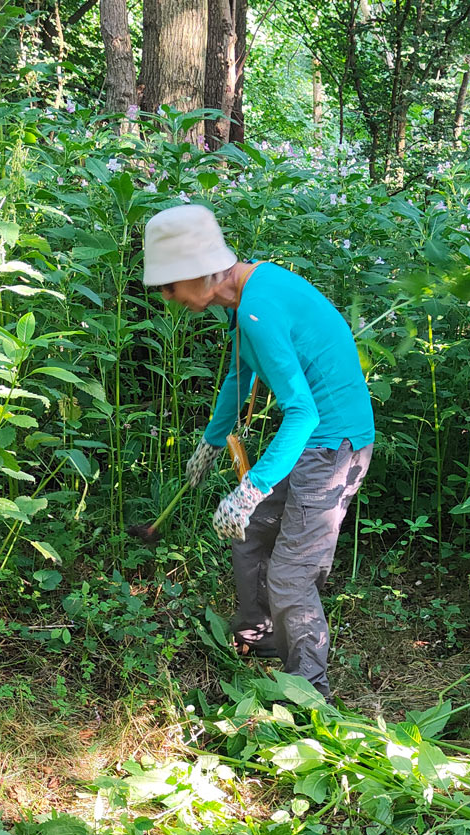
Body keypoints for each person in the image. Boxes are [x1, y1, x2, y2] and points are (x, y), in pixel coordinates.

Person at [143, 203, 374, 700]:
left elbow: (304, 413)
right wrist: (210, 441)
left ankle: (310, 693)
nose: (168, 298)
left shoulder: (257, 306)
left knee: (292, 574)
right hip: (309, 440)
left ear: (201, 274)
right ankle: (261, 639)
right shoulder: (243, 297)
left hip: (335, 447)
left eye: (169, 286)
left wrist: (252, 486)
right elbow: (238, 374)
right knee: (249, 538)